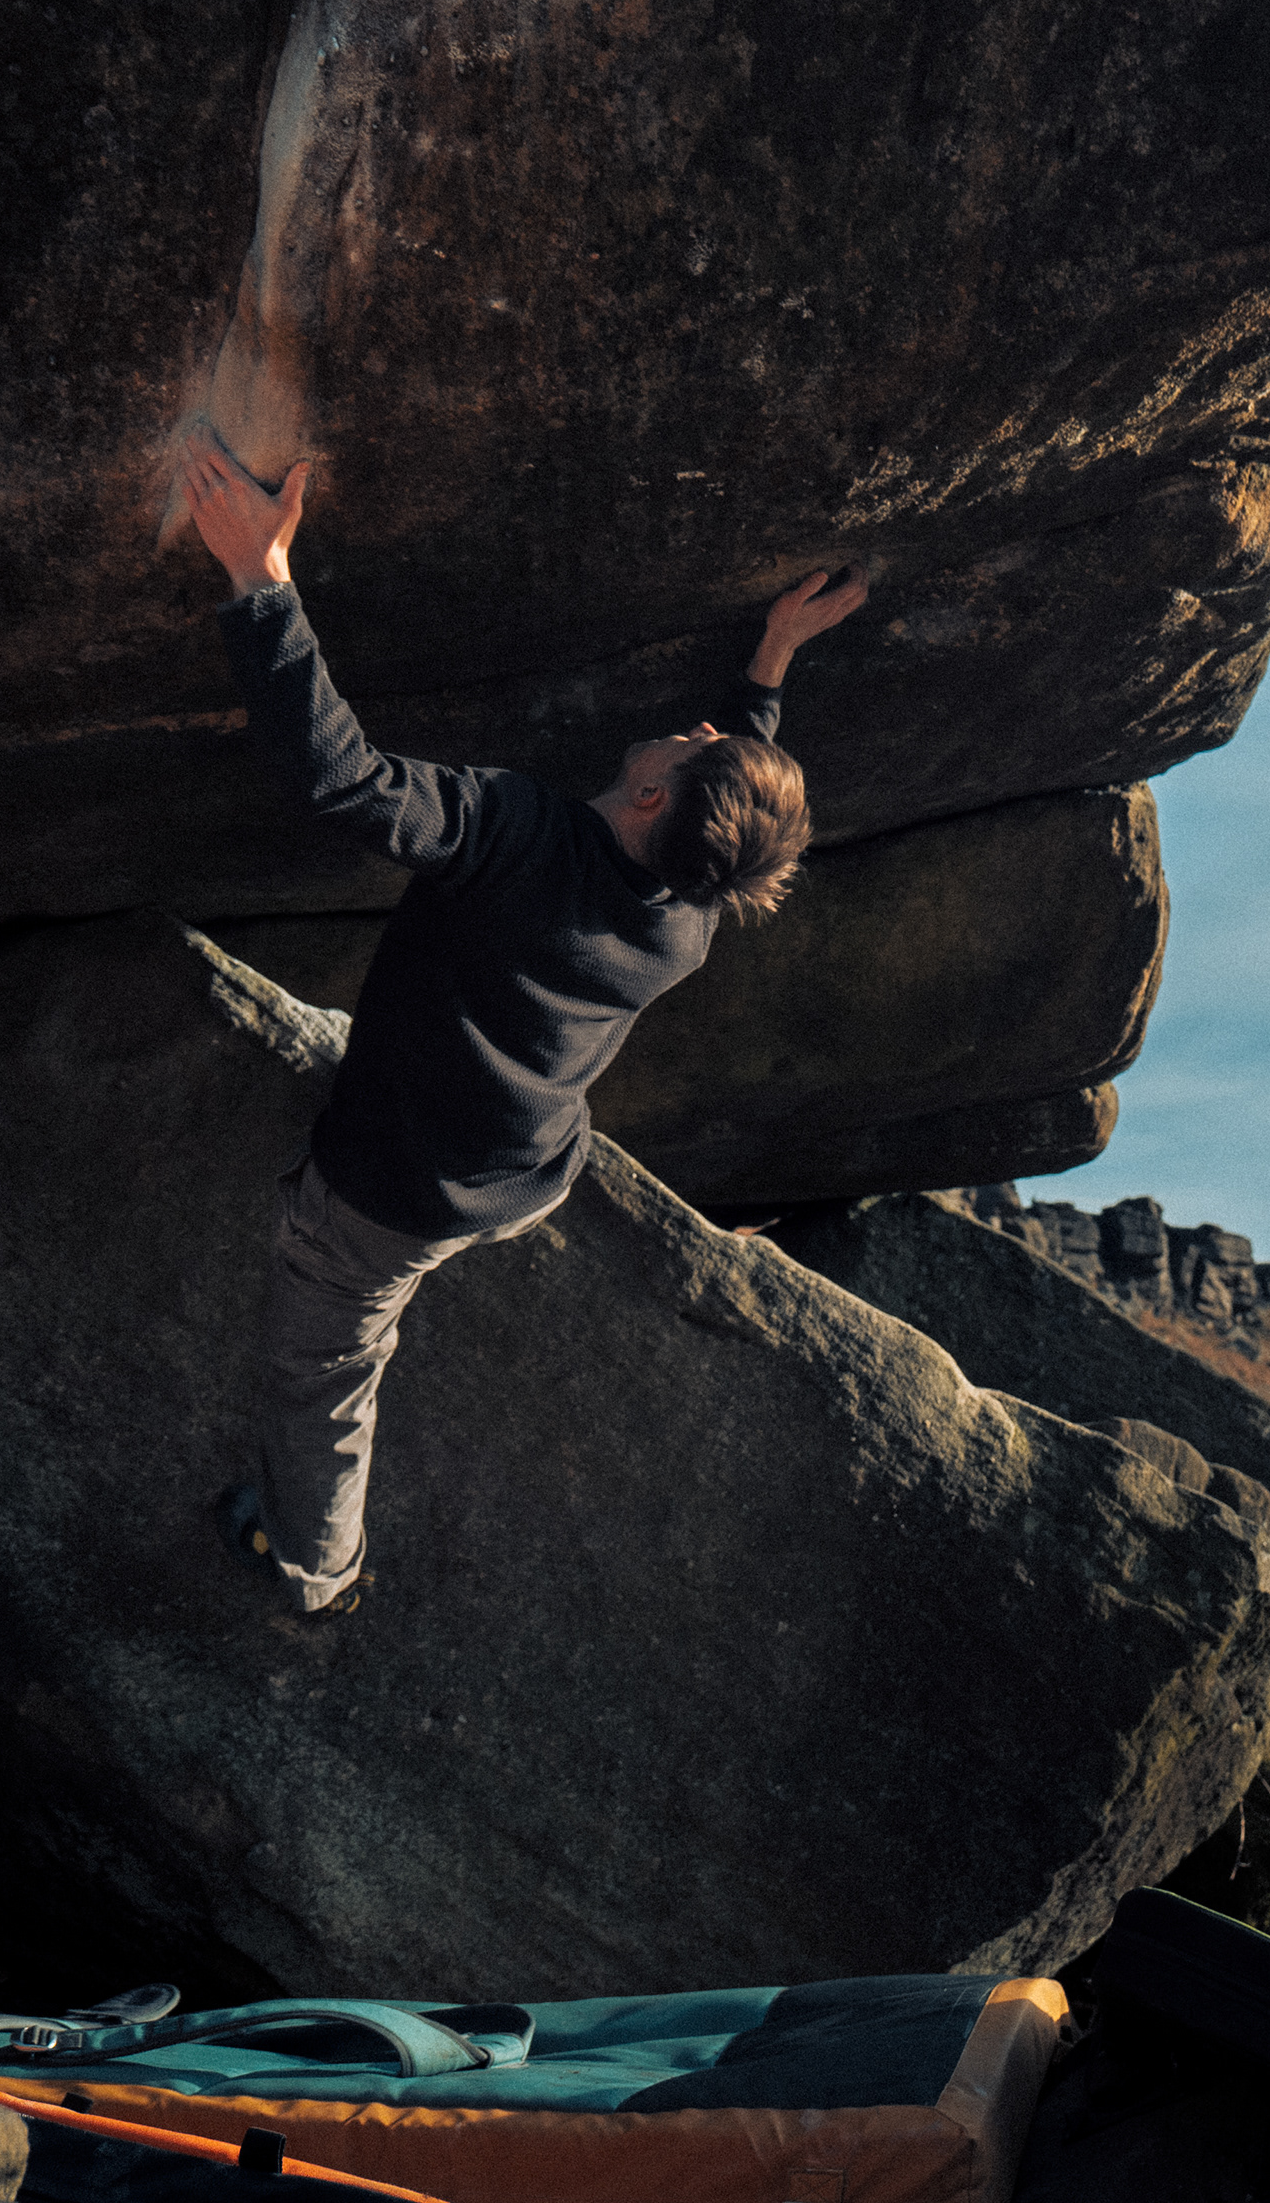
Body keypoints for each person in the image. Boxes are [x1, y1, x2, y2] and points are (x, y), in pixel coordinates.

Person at [176, 431, 873, 1616]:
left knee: (324, 1371)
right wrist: (769, 659)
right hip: (525, 1173)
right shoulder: (687, 915)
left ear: (652, 794)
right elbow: (728, 787)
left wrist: (262, 578)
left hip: (389, 1197)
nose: (701, 729)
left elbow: (341, 779)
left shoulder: (508, 829)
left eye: (699, 744)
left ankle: (314, 1571)